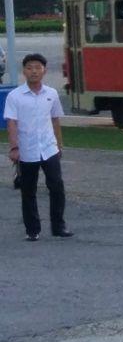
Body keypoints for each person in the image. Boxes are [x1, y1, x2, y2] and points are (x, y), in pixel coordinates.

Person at [5, 53, 70, 241]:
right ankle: (32, 229)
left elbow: (55, 119)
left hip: (49, 148)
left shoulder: (51, 93)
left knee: (57, 186)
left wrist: (59, 144)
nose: (34, 71)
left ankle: (59, 226)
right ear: (24, 71)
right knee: (28, 191)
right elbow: (12, 123)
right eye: (30, 68)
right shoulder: (15, 96)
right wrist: (14, 147)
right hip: (27, 150)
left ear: (44, 71)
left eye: (37, 68)